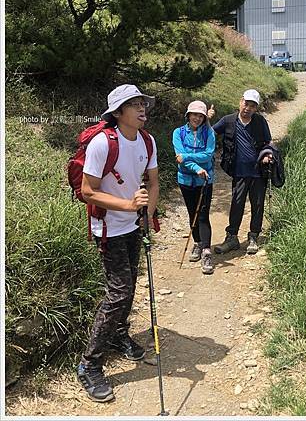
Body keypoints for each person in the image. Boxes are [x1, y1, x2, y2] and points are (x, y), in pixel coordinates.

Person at [77, 84, 159, 403]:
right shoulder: (102, 144)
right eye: (134, 104)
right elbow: (88, 190)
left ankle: (118, 335)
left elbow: (153, 181)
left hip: (133, 227)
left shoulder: (147, 141)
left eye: (143, 103)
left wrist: (147, 216)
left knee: (130, 286)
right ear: (118, 112)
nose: (142, 109)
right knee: (119, 291)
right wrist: (128, 207)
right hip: (108, 227)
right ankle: (88, 364)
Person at [210, 89, 272, 255]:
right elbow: (210, 134)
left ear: (256, 108)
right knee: (237, 204)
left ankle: (253, 236)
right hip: (239, 172)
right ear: (240, 102)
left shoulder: (260, 122)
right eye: (246, 103)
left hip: (259, 172)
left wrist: (267, 154)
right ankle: (232, 238)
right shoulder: (228, 121)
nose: (248, 108)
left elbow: (268, 142)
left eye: (252, 105)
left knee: (257, 204)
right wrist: (206, 119)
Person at [173, 101, 216, 275]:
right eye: (193, 114)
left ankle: (206, 251)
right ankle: (197, 242)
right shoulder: (178, 133)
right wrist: (196, 168)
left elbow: (208, 155)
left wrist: (187, 156)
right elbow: (179, 157)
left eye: (200, 115)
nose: (196, 118)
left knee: (203, 215)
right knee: (192, 212)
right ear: (188, 115)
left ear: (204, 117)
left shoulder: (209, 133)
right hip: (185, 180)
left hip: (205, 180)